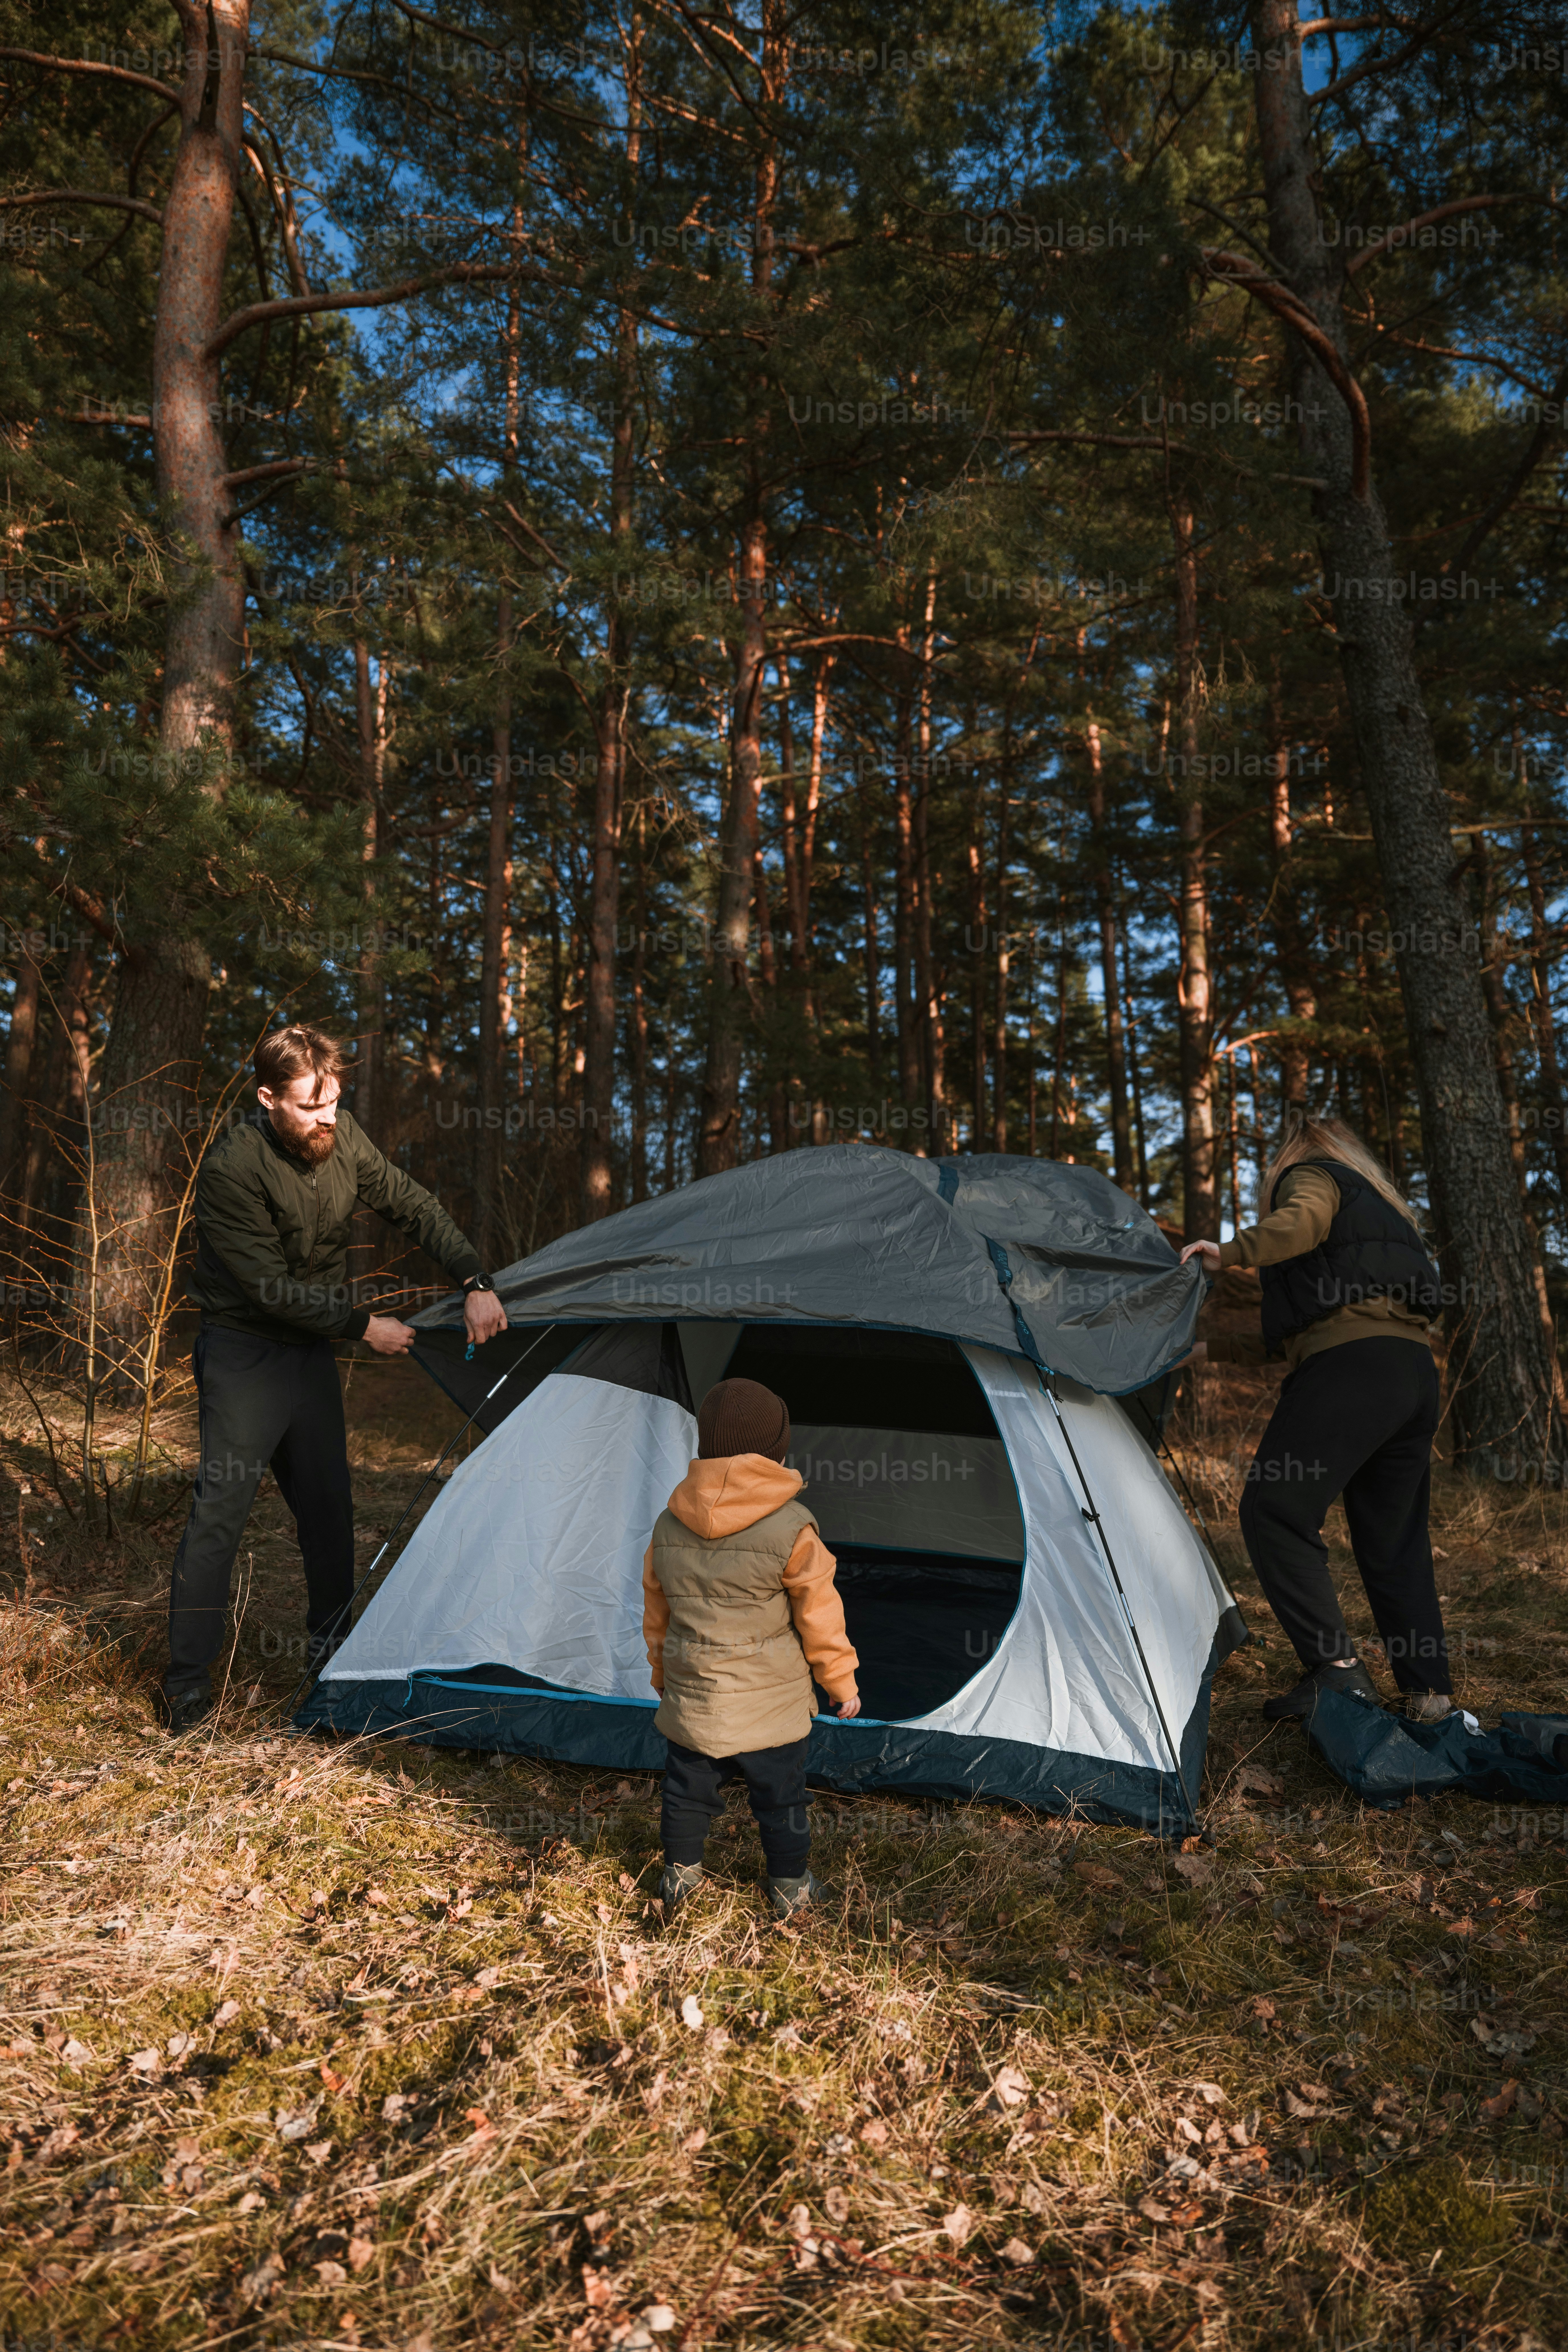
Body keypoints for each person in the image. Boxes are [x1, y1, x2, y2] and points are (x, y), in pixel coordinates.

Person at [163, 1023, 507, 1732]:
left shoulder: (343, 1135)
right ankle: (187, 1689)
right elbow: (266, 1287)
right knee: (219, 1518)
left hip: (309, 1356)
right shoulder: (234, 1168)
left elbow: (412, 1204)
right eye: (311, 1106)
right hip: (244, 1352)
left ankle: (331, 1666)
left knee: (329, 1512)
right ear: (267, 1098)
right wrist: (362, 1327)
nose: (327, 1118)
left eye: (334, 1102)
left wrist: (475, 1277)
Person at [1180, 1114, 1449, 1725]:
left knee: (1274, 1510)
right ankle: (1430, 1694)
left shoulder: (1312, 1176)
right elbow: (1304, 1329)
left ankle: (1337, 1674)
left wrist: (1230, 1251)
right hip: (1410, 1372)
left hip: (1351, 1372)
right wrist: (1205, 1351)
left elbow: (1298, 1225)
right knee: (1393, 1542)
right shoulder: (1385, 1210)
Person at [642, 1376, 860, 1920]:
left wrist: (662, 1676)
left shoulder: (669, 1525)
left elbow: (657, 1614)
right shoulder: (792, 1528)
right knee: (782, 1799)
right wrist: (840, 1681)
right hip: (771, 1708)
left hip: (696, 1697)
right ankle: (790, 1887)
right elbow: (820, 1616)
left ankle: (681, 1877)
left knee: (687, 1792)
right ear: (776, 1450)